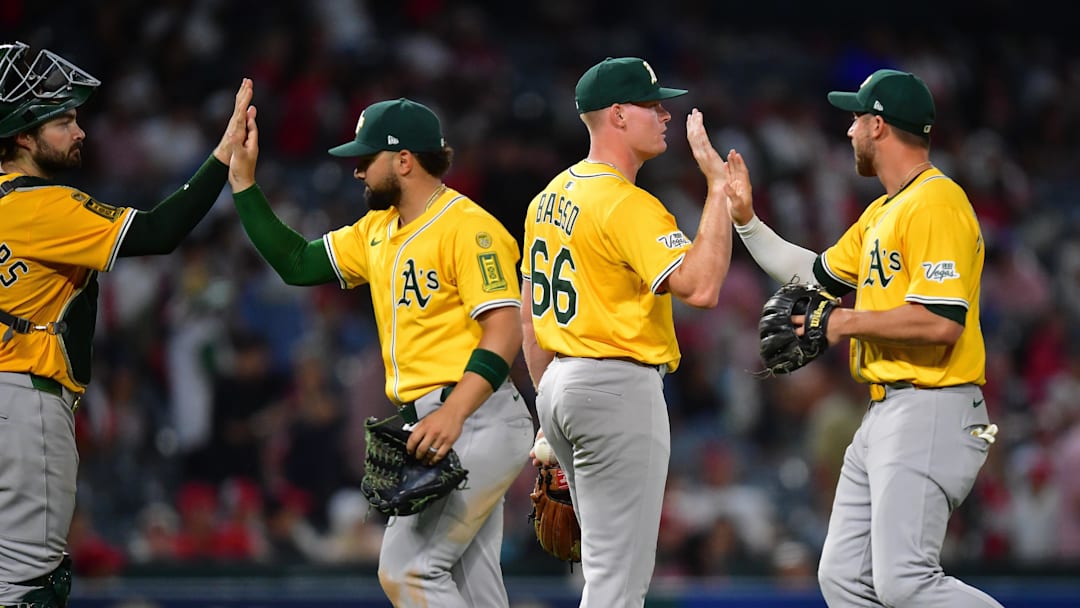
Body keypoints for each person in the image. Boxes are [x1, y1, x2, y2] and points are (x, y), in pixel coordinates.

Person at [226, 96, 533, 608]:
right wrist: (244, 185)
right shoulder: (377, 231)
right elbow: (298, 263)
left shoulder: (469, 227)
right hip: (433, 423)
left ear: (404, 160)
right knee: (471, 588)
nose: (358, 171)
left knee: (407, 571)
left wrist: (455, 411)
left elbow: (504, 330)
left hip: (475, 414)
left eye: (367, 159)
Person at [724, 69, 1002, 607]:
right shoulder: (882, 211)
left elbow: (940, 322)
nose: (849, 130)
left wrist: (841, 322)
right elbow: (814, 275)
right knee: (845, 578)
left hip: (933, 405)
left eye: (855, 119)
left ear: (878, 125)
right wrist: (747, 221)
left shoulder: (937, 202)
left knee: (905, 581)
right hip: (885, 412)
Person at [0, 41, 252, 606]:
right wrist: (222, 155)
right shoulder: (42, 205)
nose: (80, 132)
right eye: (63, 121)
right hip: (23, 403)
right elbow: (160, 233)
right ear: (22, 134)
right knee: (29, 588)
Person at [520, 56, 734, 606]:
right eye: (651, 104)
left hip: (561, 387)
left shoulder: (548, 198)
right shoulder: (626, 203)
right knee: (619, 585)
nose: (664, 114)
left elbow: (529, 318)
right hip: (616, 388)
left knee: (600, 576)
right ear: (617, 114)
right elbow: (702, 287)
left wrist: (549, 404)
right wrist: (717, 190)